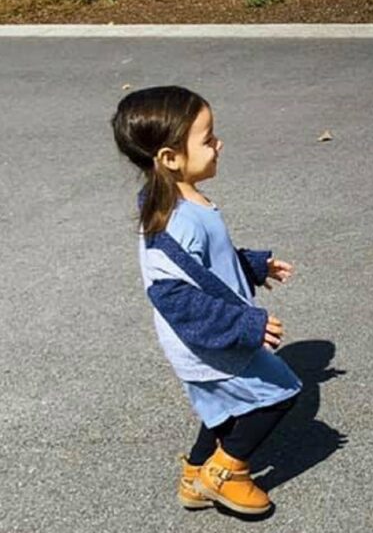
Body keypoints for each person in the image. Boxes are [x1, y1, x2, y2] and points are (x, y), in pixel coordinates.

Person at [112, 86, 301, 516]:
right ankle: (226, 472)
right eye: (207, 138)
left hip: (208, 337)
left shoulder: (182, 201)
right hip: (209, 340)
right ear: (170, 158)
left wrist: (253, 266)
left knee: (225, 408)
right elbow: (175, 296)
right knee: (281, 392)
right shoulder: (176, 222)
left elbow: (206, 269)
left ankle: (196, 475)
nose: (219, 144)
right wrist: (246, 326)